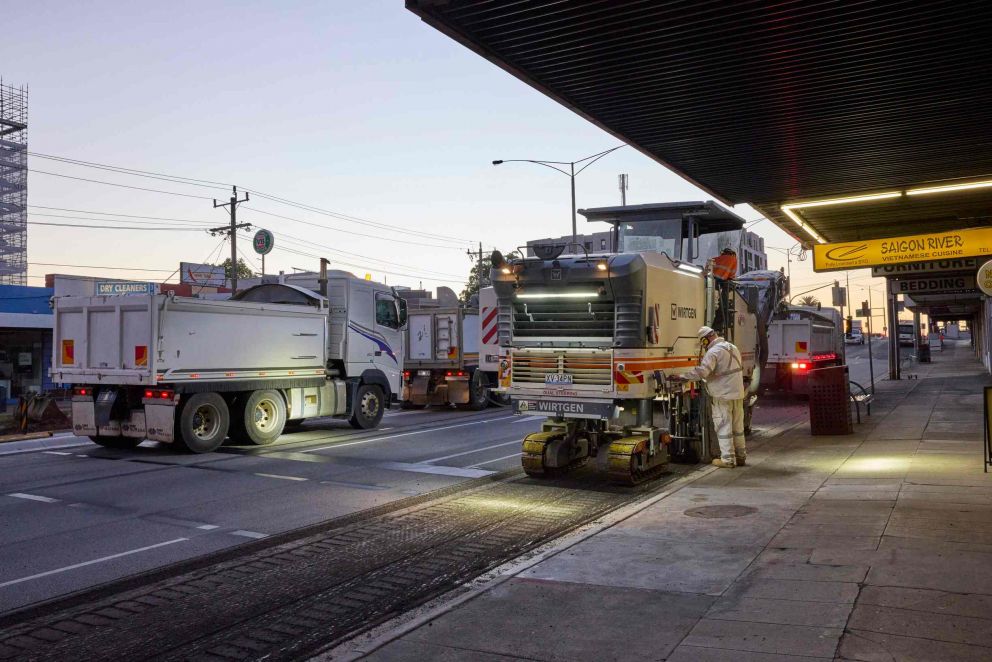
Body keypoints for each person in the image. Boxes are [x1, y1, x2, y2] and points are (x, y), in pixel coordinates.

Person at [669, 326, 746, 468]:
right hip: (737, 393)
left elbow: (702, 372)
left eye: (702, 342)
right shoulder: (733, 347)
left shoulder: (713, 352)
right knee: (737, 426)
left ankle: (728, 459)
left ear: (705, 339)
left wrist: (682, 377)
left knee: (723, 426)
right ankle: (741, 456)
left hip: (722, 395)